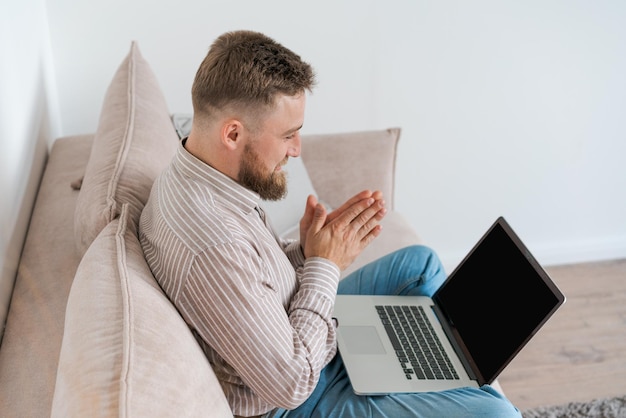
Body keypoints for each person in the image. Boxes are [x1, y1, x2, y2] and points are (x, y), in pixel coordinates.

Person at [139, 30, 522, 418]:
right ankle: (453, 390)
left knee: (418, 263)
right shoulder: (211, 245)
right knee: (497, 414)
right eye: (289, 135)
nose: (296, 149)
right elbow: (290, 382)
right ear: (233, 133)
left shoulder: (202, 173)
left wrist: (305, 251)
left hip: (297, 330)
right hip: (298, 399)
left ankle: (442, 371)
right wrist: (325, 266)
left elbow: (253, 276)